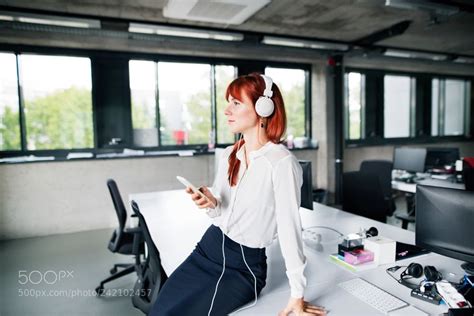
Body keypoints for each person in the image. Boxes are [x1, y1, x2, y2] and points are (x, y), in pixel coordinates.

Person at [149, 73, 326, 316]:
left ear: (262, 108)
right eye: (228, 102)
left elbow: (290, 229)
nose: (227, 110)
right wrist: (210, 202)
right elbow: (222, 211)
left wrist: (297, 293)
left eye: (236, 103)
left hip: (243, 267)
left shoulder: (281, 162)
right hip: (208, 247)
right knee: (160, 311)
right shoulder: (229, 154)